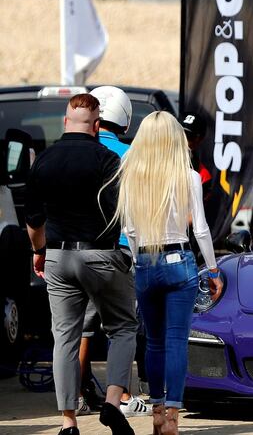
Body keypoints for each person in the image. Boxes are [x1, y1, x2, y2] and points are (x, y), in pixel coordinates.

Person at [25, 93, 137, 435]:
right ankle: (113, 402)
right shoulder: (108, 160)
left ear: (65, 122)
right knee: (122, 328)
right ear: (97, 125)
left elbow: (33, 220)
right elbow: (125, 212)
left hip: (58, 256)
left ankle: (68, 421)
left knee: (65, 338)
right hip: (102, 255)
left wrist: (39, 251)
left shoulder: (43, 162)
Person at [108, 111, 222, 435]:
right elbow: (200, 229)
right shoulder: (187, 176)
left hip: (145, 260)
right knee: (176, 342)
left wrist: (141, 259)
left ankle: (156, 409)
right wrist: (213, 270)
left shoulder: (131, 175)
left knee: (153, 342)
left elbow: (128, 229)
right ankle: (173, 414)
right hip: (179, 259)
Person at [79, 86, 150, 418]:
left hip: (77, 249)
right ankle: (121, 396)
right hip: (119, 248)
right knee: (123, 328)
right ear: (125, 118)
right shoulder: (131, 154)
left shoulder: (82, 150)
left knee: (81, 329)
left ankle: (78, 394)